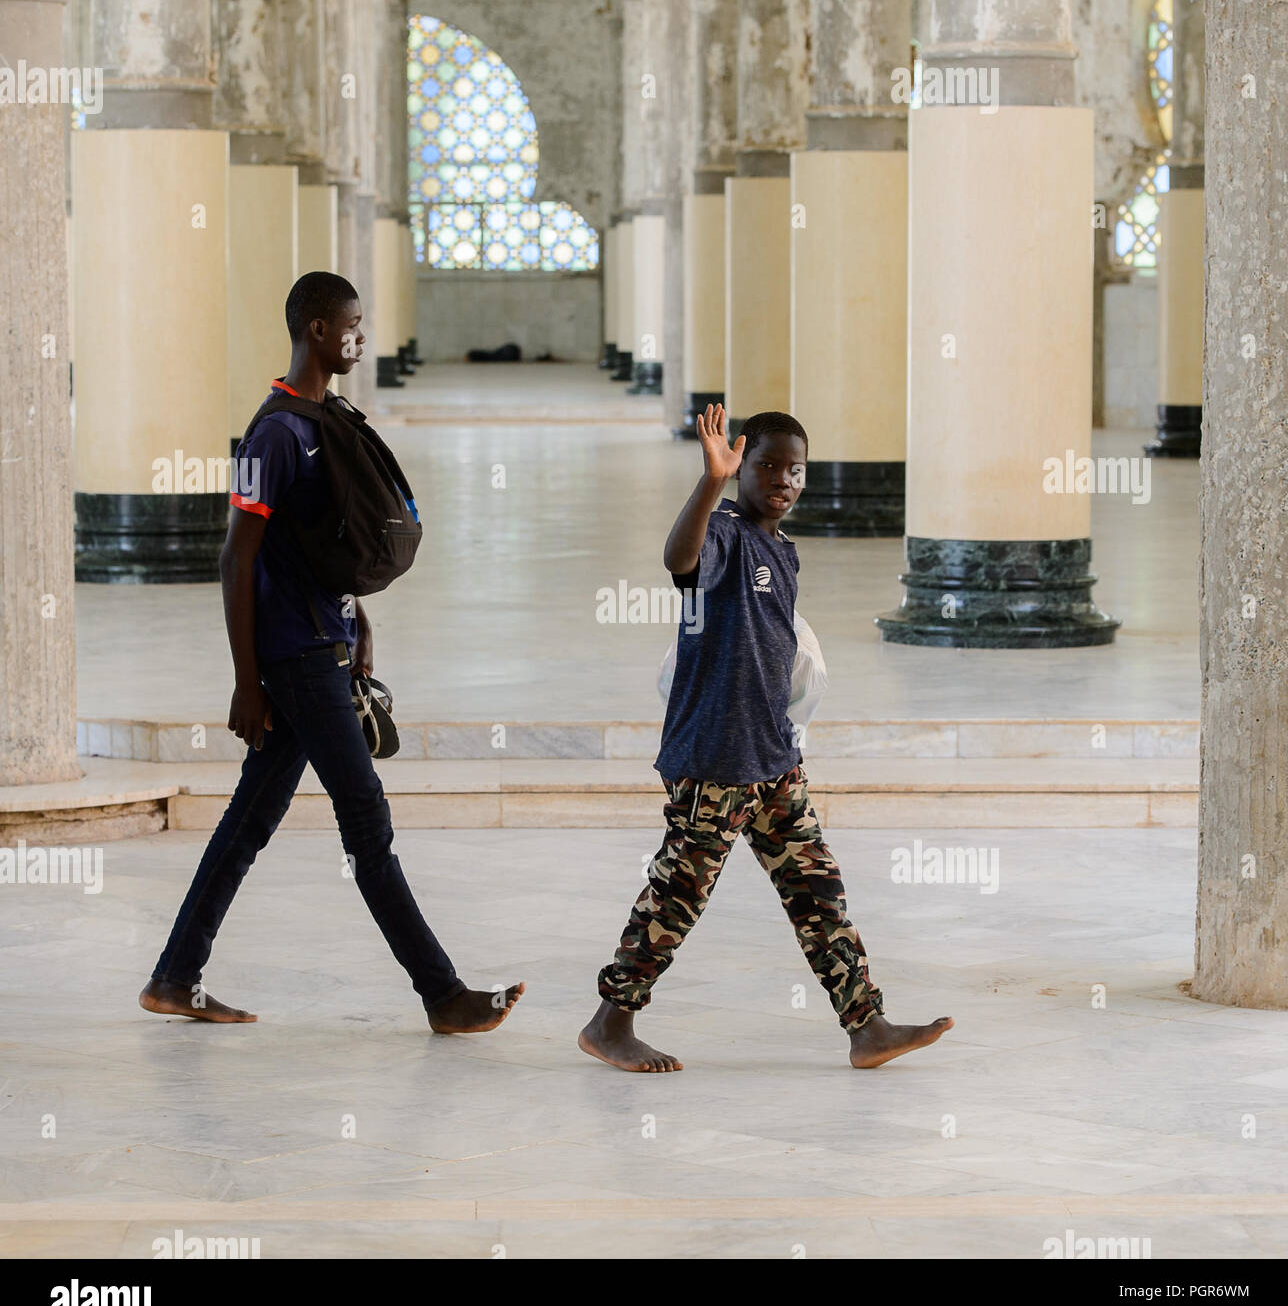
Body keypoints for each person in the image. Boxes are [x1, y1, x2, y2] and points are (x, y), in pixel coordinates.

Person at [139, 271, 524, 1034]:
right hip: (294, 657)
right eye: (349, 322)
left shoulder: (325, 416)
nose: (359, 334)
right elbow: (235, 557)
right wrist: (246, 681)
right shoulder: (274, 433)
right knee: (366, 821)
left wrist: (359, 621)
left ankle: (175, 977)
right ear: (315, 328)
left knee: (251, 818)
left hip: (324, 642)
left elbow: (320, 546)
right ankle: (442, 994)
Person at [579, 404, 952, 1072]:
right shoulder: (724, 534)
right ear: (741, 469)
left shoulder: (783, 549)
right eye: (766, 466)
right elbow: (679, 558)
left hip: (773, 758)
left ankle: (867, 1027)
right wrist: (710, 483)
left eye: (794, 469)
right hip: (716, 761)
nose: (782, 478)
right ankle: (610, 1023)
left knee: (819, 892)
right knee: (677, 897)